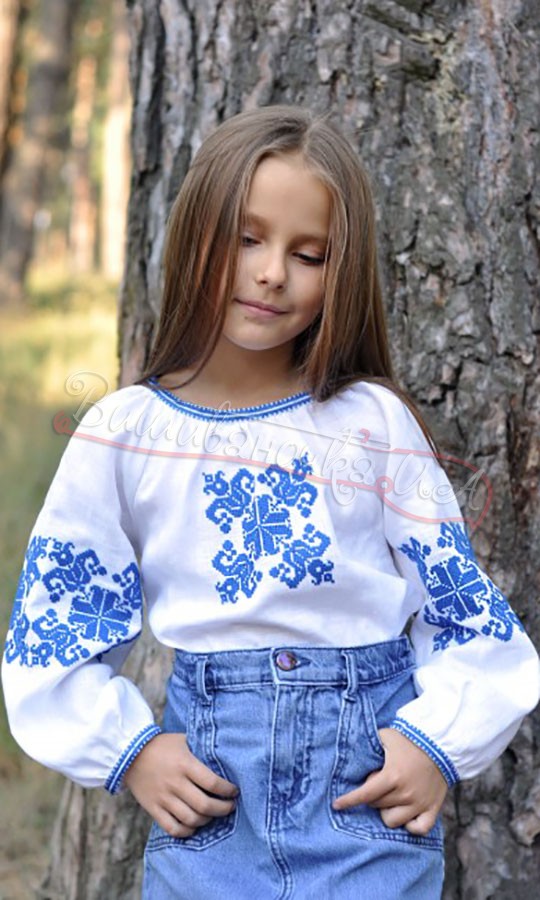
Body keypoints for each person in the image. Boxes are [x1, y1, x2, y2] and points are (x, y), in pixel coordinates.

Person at [2, 105, 539, 900]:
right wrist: (131, 751)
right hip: (210, 814)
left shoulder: (370, 423)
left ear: (341, 272)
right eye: (245, 238)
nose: (271, 272)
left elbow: (462, 609)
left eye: (308, 253)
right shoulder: (125, 432)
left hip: (364, 809)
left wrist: (435, 743)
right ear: (194, 235)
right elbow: (56, 624)